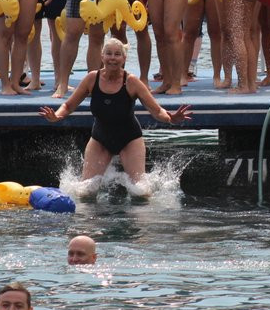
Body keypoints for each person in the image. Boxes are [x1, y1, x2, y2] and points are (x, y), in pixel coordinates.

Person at [40, 37, 192, 194]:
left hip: (129, 138)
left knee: (141, 191)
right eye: (109, 54)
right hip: (100, 138)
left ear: (124, 58)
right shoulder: (92, 78)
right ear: (102, 56)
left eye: (117, 54)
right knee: (84, 191)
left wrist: (171, 119)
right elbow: (68, 105)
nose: (113, 58)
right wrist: (57, 116)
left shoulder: (132, 81)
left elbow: (156, 110)